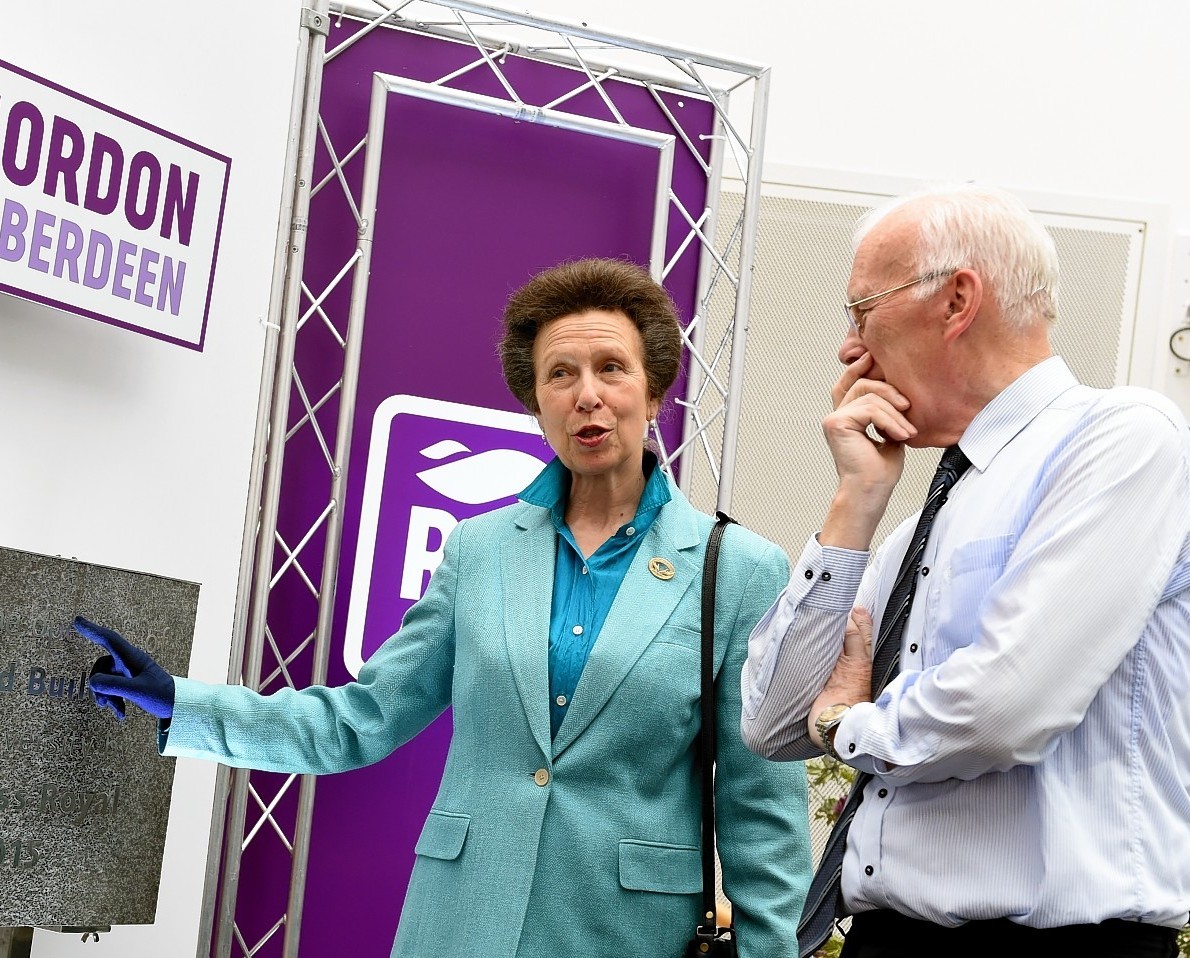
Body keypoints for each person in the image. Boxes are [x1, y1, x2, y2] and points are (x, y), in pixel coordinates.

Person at [75, 257, 811, 958]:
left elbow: (763, 808)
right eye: (561, 375)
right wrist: (181, 703)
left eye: (611, 368)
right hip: (461, 920)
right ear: (536, 405)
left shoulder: (738, 570)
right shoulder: (479, 550)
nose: (587, 394)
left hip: (625, 932)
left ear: (653, 393)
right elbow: (359, 720)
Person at [740, 185, 1190, 958]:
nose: (849, 350)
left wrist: (848, 726)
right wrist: (856, 500)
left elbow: (1004, 706)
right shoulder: (923, 522)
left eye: (862, 311)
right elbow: (773, 724)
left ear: (956, 300)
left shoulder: (1123, 439)